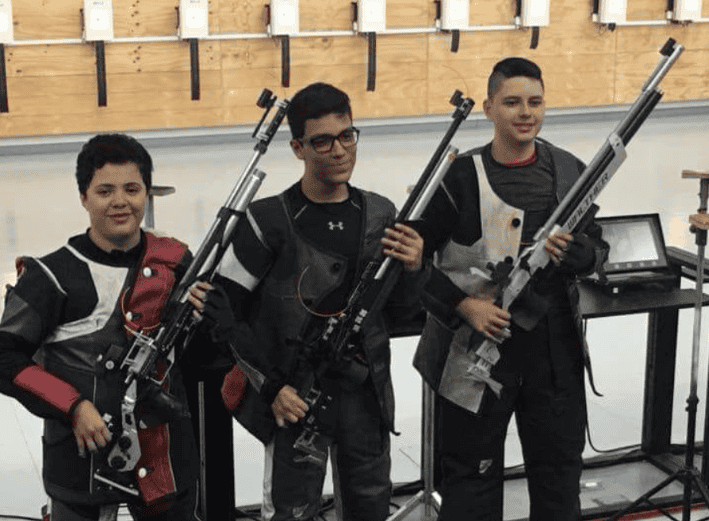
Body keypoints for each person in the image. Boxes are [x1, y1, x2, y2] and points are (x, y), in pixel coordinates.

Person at [0, 133, 228, 521]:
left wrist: (214, 320)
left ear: (147, 192)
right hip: (81, 469)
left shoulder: (176, 261)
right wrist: (73, 406)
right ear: (83, 197)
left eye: (132, 189)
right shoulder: (52, 275)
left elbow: (197, 361)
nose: (120, 202)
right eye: (104, 191)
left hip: (165, 462)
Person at [212, 82, 426, 521]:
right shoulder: (266, 220)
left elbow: (402, 311)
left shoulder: (381, 215)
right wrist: (271, 388)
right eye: (322, 140)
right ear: (297, 147)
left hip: (364, 396)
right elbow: (222, 311)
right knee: (291, 512)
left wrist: (415, 266)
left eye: (347, 135)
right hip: (294, 395)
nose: (339, 150)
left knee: (370, 504)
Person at [413, 58, 609, 520]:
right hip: (475, 350)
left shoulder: (569, 169)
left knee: (559, 478)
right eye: (512, 102)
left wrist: (579, 254)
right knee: (471, 484)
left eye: (535, 102)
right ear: (488, 108)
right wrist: (463, 305)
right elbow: (412, 262)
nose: (526, 112)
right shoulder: (458, 177)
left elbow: (598, 248)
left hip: (554, 350)